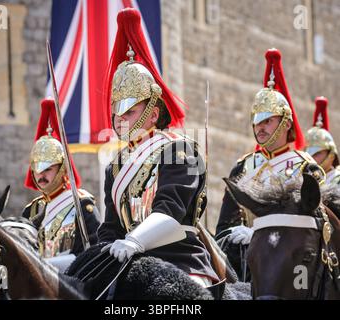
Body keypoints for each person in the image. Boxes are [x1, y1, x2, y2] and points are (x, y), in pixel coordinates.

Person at [97, 8, 218, 288]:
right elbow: (111, 228)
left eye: (129, 110)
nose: (119, 118)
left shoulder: (180, 150)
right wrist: (100, 251)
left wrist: (135, 240)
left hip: (178, 259)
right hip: (126, 260)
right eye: (117, 111)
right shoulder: (116, 165)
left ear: (153, 114)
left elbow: (171, 210)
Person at [215, 48, 325, 280]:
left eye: (268, 121)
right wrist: (235, 234)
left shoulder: (307, 168)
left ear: (286, 123)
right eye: (256, 121)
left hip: (295, 266)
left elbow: (314, 227)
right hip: (249, 265)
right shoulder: (243, 167)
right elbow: (224, 228)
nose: (260, 128)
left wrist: (256, 232)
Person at [22, 98, 101, 270]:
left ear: (62, 169)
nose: (41, 175)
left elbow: (92, 254)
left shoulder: (81, 204)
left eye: (48, 169)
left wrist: (43, 266)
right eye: (38, 169)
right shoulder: (31, 211)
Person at [305, 96, 340, 186]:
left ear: (331, 155)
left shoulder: (337, 180)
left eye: (317, 153)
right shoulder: (303, 178)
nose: (311, 158)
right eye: (308, 154)